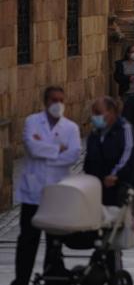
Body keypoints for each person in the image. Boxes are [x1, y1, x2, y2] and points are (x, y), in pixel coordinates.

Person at [11, 86, 81, 285]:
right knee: (27, 239)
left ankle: (52, 276)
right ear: (45, 101)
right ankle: (21, 279)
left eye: (61, 99)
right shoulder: (33, 121)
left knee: (55, 239)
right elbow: (31, 147)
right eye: (53, 99)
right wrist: (58, 149)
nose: (57, 104)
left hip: (57, 193)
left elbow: (73, 154)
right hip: (33, 192)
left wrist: (48, 152)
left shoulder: (71, 128)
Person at [85, 96, 134, 206]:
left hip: (118, 184)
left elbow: (128, 154)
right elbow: (89, 157)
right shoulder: (95, 133)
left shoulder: (124, 128)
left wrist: (115, 175)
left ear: (111, 112)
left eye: (98, 113)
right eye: (93, 113)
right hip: (97, 185)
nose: (94, 117)